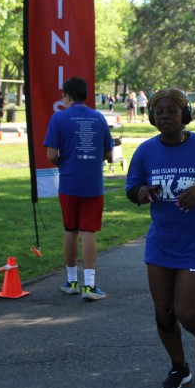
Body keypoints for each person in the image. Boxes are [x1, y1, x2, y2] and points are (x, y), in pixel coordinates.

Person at [125, 88, 195, 388]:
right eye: (159, 112)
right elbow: (131, 189)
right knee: (164, 312)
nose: (165, 117)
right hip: (161, 242)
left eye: (171, 111)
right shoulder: (145, 151)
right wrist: (141, 193)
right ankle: (179, 367)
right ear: (151, 117)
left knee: (187, 313)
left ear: (184, 115)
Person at [43, 77, 114, 300]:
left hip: (69, 182)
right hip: (93, 183)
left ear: (67, 96)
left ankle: (72, 281)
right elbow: (109, 153)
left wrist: (64, 163)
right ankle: (90, 285)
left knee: (70, 230)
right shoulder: (99, 117)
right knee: (89, 231)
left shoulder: (58, 118)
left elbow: (51, 154)